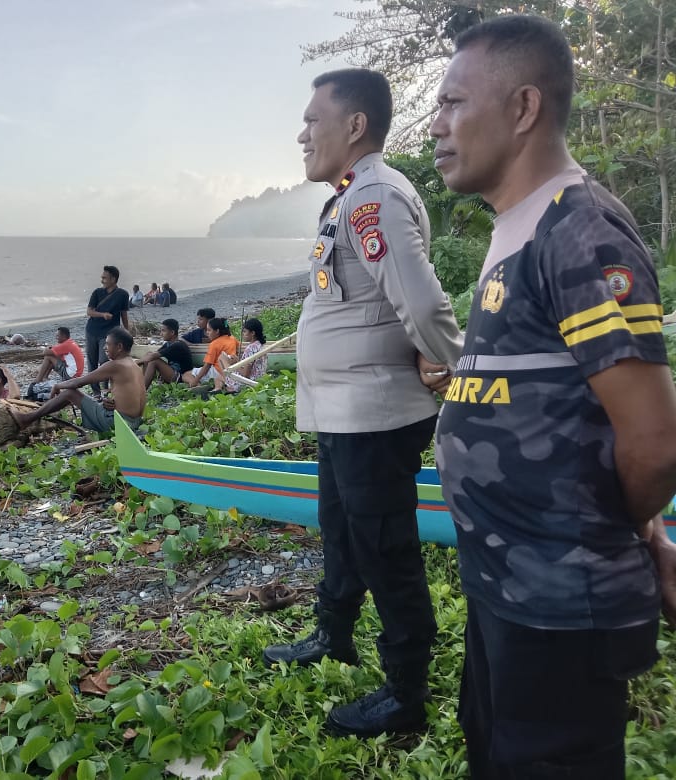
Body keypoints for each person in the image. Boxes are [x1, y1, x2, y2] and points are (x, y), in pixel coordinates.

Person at [430, 16, 676, 777]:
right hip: (506, 585)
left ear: (524, 107)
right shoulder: (516, 228)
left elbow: (655, 439)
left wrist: (628, 530)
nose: (436, 126)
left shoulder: (581, 232)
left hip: (563, 599)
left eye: (452, 104)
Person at [260, 68, 463, 740]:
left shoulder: (374, 196)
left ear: (354, 126)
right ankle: (333, 635)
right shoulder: (349, 195)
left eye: (313, 120)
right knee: (343, 533)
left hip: (377, 417)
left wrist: (451, 365)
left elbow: (421, 297)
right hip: (343, 415)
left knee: (388, 553)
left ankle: (407, 696)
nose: (302, 133)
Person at [10, 327, 146, 433]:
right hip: (135, 422)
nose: (105, 348)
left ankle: (26, 419)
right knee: (78, 395)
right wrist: (111, 401)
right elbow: (127, 394)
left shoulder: (116, 365)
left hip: (119, 424)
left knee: (70, 393)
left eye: (108, 344)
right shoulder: (134, 365)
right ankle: (37, 414)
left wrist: (57, 386)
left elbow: (79, 382)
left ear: (119, 347)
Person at [85, 265, 131, 395]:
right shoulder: (97, 292)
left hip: (109, 334)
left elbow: (124, 314)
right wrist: (103, 314)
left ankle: (105, 389)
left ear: (113, 279)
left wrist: (126, 332)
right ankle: (96, 393)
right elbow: (89, 311)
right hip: (92, 330)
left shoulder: (123, 294)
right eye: (102, 277)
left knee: (104, 360)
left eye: (104, 278)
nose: (102, 280)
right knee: (91, 362)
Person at [182, 317, 238, 388]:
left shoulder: (214, 344)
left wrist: (196, 380)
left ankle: (197, 386)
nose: (207, 333)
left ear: (217, 331)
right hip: (229, 369)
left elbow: (207, 365)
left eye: (209, 330)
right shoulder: (232, 338)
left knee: (186, 375)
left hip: (217, 371)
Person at [137, 318, 195, 388]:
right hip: (172, 373)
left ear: (172, 332)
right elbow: (151, 354)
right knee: (149, 355)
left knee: (154, 361)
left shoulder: (178, 345)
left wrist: (133, 363)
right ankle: (142, 384)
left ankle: (142, 391)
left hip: (181, 377)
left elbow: (152, 357)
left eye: (163, 331)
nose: (161, 334)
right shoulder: (168, 344)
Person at [217, 318, 268, 392]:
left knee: (222, 357)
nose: (243, 334)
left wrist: (236, 362)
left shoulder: (250, 348)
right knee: (223, 363)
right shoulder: (261, 345)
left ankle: (230, 387)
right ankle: (226, 385)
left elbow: (245, 374)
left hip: (249, 383)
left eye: (244, 331)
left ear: (253, 333)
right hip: (260, 379)